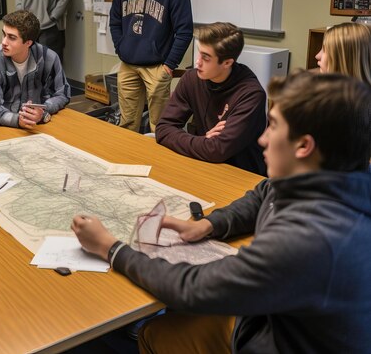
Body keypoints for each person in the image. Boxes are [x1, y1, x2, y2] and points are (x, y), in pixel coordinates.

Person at [72, 71, 371, 353]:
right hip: (281, 317)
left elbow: (190, 288)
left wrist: (110, 248)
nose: (263, 139)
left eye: (275, 126)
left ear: (304, 146)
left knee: (155, 333)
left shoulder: (307, 239)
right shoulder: (337, 178)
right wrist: (210, 225)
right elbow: (264, 193)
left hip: (277, 338)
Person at [109, 0, 193, 134]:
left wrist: (169, 66)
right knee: (127, 124)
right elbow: (115, 20)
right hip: (128, 64)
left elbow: (184, 31)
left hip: (157, 67)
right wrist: (121, 48)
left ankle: (160, 165)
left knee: (159, 126)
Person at [156, 22, 267, 175]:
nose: (197, 62)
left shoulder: (251, 95)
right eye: (199, 52)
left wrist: (208, 145)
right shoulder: (191, 79)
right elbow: (163, 129)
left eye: (206, 58)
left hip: (241, 174)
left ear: (227, 63)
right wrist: (204, 141)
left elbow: (217, 150)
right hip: (203, 164)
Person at [0, 10, 70, 129]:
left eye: (12, 37)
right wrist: (17, 120)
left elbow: (62, 93)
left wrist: (43, 110)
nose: (4, 42)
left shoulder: (49, 58)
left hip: (40, 128)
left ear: (28, 43)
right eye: (4, 34)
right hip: (5, 128)